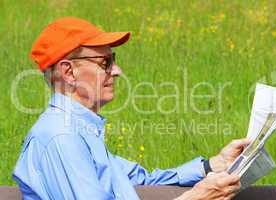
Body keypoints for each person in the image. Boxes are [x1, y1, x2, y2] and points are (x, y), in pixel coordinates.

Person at [13, 17, 249, 200]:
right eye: (105, 62)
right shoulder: (62, 138)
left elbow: (142, 180)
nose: (116, 71)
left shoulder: (79, 130)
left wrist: (212, 165)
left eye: (112, 60)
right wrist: (197, 196)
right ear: (68, 72)